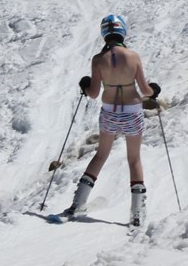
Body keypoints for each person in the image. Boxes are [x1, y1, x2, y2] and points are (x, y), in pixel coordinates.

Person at [61, 14, 161, 227]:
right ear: (123, 31)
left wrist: (85, 85)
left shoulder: (98, 60)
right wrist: (155, 90)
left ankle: (78, 203)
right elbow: (145, 90)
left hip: (109, 113)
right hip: (132, 111)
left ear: (104, 33)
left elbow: (94, 93)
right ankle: (137, 213)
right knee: (134, 159)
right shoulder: (133, 56)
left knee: (100, 155)